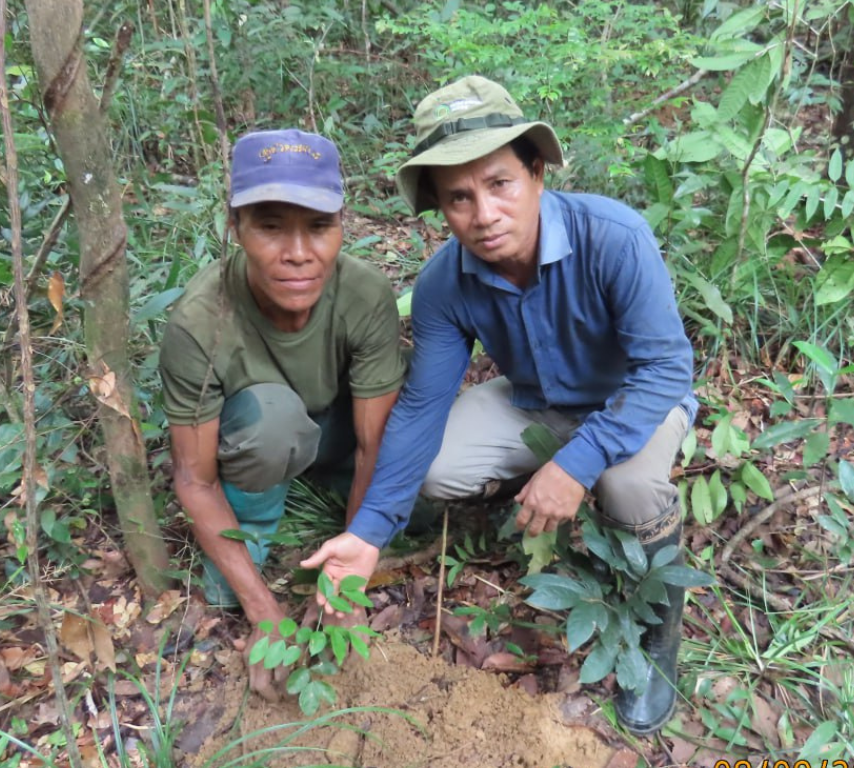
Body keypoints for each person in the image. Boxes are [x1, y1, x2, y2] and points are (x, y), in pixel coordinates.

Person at [303, 77, 697, 735]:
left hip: (634, 400)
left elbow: (666, 368)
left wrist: (575, 464)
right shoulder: (443, 284)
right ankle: (534, 495)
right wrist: (369, 533)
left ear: (536, 172)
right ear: (439, 206)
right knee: (436, 465)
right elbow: (422, 406)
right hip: (535, 400)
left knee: (628, 486)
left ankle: (659, 637)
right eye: (458, 197)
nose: (483, 213)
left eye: (499, 184)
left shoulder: (613, 237)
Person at [160, 128, 407, 701]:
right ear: (236, 226)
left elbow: (377, 444)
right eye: (271, 226)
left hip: (339, 435)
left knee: (421, 494)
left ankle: (332, 503)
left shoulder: (364, 294)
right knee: (272, 420)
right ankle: (258, 530)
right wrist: (263, 610)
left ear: (342, 224)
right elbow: (193, 477)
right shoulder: (200, 321)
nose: (299, 252)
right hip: (262, 441)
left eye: (319, 227)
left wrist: (348, 577)